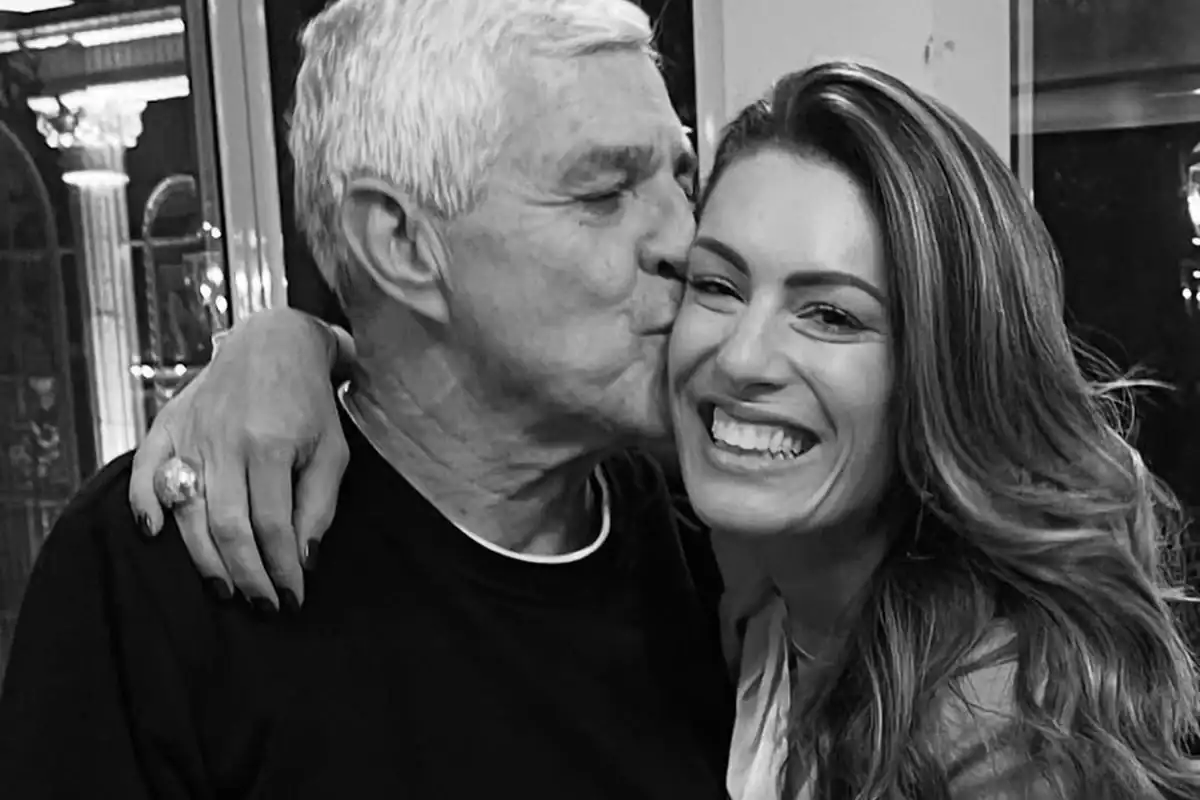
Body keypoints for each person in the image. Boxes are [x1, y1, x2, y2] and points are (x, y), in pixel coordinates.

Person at [120, 63, 1200, 798]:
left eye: (831, 314)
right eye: (718, 285)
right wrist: (291, 342)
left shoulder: (997, 728)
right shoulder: (736, 576)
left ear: (944, 372)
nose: (741, 357)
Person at [0, 1, 733, 797]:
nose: (686, 241)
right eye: (605, 192)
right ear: (399, 242)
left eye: (682, 180)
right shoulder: (162, 578)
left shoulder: (722, 552)